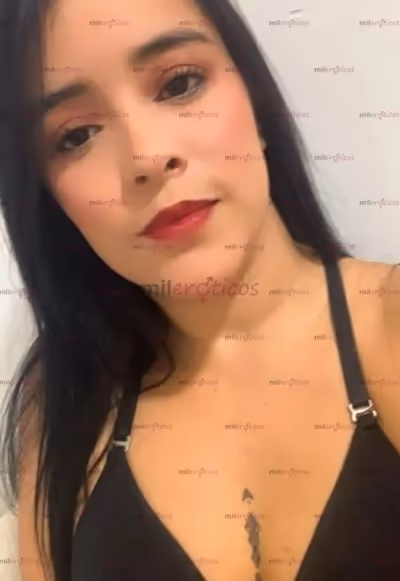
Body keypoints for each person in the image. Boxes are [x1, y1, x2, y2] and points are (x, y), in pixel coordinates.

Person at [0, 0, 399, 580]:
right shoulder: (65, 400)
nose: (146, 157)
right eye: (77, 135)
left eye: (180, 84)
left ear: (256, 102)